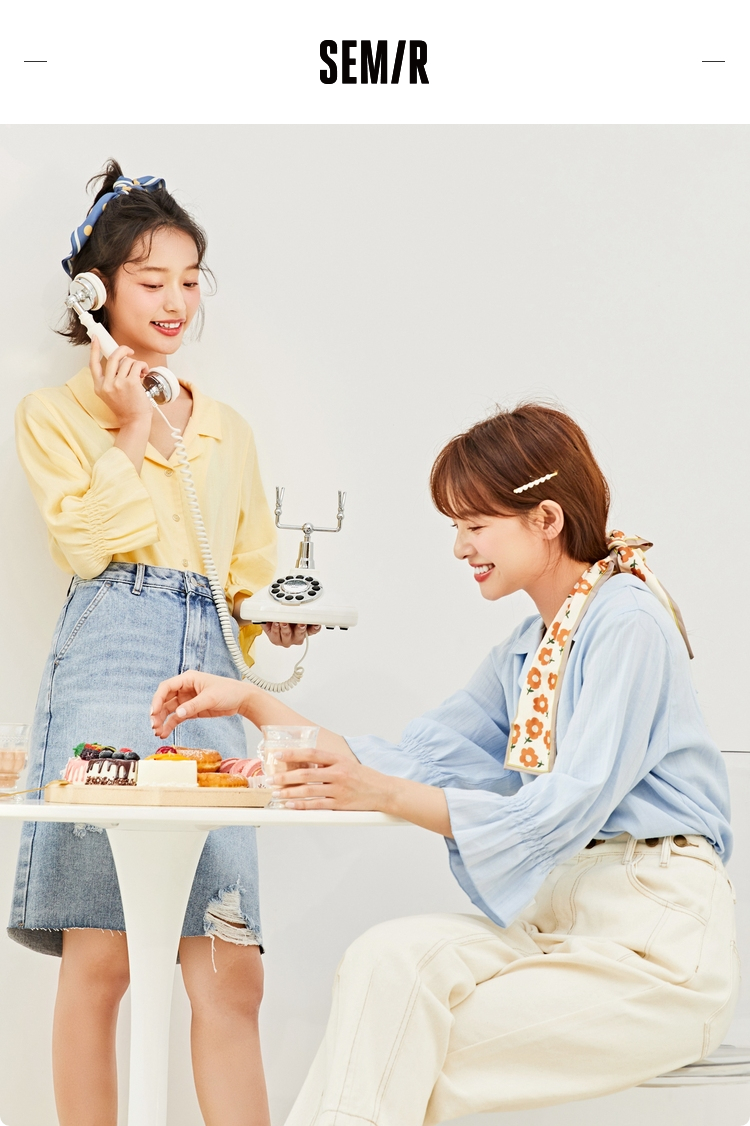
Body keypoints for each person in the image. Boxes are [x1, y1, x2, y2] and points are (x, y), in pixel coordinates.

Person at [150, 403, 738, 1125]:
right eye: (456, 527)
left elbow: (559, 809)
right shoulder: (529, 650)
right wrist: (249, 701)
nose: (460, 548)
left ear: (546, 519)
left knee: (388, 1059)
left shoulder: (628, 623)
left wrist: (381, 792)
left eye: (475, 524)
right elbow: (410, 758)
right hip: (560, 915)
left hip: (655, 939)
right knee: (386, 960)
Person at [11, 161, 314, 1126]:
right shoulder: (54, 416)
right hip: (107, 666)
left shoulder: (227, 430)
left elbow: (248, 576)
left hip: (210, 680)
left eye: (190, 279)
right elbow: (86, 545)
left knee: (231, 971)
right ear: (96, 294)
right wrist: (134, 425)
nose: (176, 301)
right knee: (101, 959)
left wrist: (275, 620)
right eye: (151, 281)